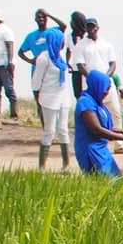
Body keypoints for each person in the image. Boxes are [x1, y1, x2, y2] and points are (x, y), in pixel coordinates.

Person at [73, 69, 123, 176]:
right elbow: (96, 129)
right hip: (90, 150)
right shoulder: (85, 102)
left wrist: (122, 131)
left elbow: (103, 127)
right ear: (97, 86)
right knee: (103, 183)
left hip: (101, 149)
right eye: (105, 89)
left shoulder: (98, 104)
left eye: (108, 89)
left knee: (115, 182)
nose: (106, 92)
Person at [32, 26, 74, 169]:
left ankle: (66, 164)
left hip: (63, 97)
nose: (63, 43)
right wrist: (37, 95)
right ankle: (42, 165)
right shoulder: (44, 57)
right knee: (49, 130)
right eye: (61, 40)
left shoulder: (60, 56)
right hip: (49, 98)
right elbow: (36, 80)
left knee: (63, 129)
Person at [72, 17, 116, 106]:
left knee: (114, 113)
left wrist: (105, 78)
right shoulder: (80, 45)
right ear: (86, 28)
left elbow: (113, 63)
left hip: (108, 85)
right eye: (89, 27)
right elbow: (80, 66)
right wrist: (94, 79)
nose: (91, 29)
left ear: (97, 28)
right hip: (90, 85)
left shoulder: (106, 44)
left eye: (93, 26)